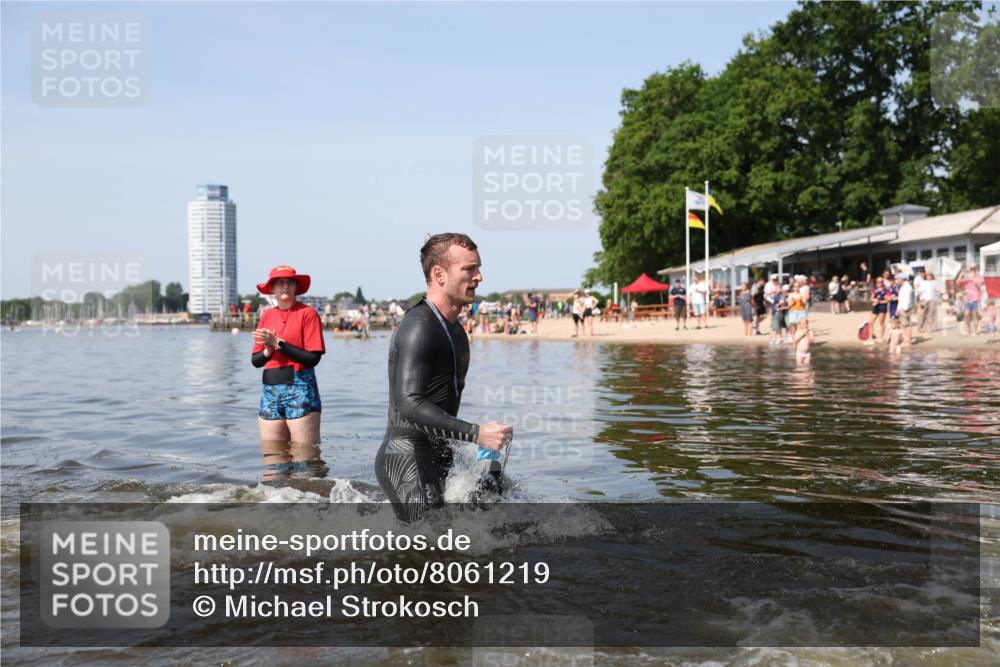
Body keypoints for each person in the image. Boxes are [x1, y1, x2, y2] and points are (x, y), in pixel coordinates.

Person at [375, 233, 512, 522]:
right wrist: (476, 434)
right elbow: (409, 403)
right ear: (439, 274)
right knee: (430, 551)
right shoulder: (418, 328)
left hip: (440, 453)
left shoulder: (456, 332)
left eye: (478, 267)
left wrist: (479, 444)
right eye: (469, 269)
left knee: (493, 496)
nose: (479, 277)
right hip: (406, 457)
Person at [251, 266, 326, 478]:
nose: (285, 285)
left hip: (300, 388)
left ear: (296, 287)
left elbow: (313, 358)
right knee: (273, 464)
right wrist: (267, 349)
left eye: (289, 282)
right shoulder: (266, 316)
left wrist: (279, 343)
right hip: (270, 391)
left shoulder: (308, 313)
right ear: (272, 289)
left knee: (306, 462)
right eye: (279, 282)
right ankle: (277, 507)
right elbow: (256, 361)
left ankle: (311, 505)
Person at [956, 265, 986, 335]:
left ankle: (974, 331)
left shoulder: (979, 277)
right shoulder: (967, 277)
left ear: (976, 269)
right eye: (971, 269)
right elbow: (958, 283)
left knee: (974, 314)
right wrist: (961, 274)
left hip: (976, 298)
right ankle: (969, 329)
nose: (972, 270)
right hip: (967, 298)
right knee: (966, 315)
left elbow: (980, 285)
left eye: (973, 268)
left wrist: (973, 279)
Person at [896, 275, 914, 346]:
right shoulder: (903, 287)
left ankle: (908, 341)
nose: (896, 280)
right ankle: (905, 340)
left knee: (906, 325)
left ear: (902, 279)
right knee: (903, 325)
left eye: (897, 279)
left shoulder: (907, 287)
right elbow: (900, 299)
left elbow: (908, 299)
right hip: (901, 308)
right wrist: (898, 309)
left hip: (905, 308)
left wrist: (905, 309)